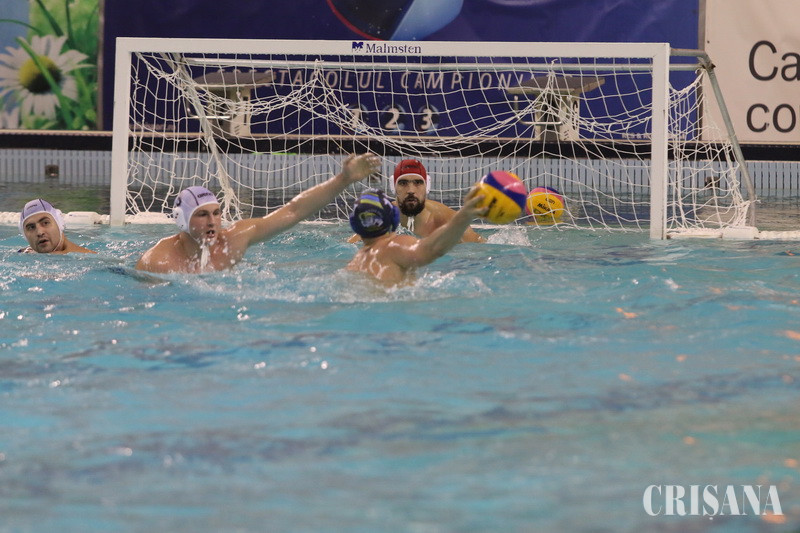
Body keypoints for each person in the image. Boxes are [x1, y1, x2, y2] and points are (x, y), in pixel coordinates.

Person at [136, 153, 381, 274]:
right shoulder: (158, 262)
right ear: (182, 220)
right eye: (202, 215)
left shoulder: (234, 239)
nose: (212, 222)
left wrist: (343, 179)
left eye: (216, 213)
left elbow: (293, 211)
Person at [346, 186, 487, 286]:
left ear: (355, 225)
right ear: (393, 218)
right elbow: (433, 248)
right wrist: (463, 217)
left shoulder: (356, 262)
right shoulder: (395, 246)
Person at [349, 158, 484, 244]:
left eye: (418, 182)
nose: (411, 190)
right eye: (403, 183)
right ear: (393, 187)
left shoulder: (447, 221)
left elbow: (480, 248)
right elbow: (350, 246)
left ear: (427, 186)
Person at [18, 199, 96, 254]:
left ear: (59, 224)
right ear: (25, 236)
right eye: (31, 227)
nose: (39, 232)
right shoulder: (26, 253)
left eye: (45, 223)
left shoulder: (88, 258)